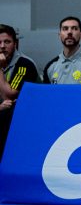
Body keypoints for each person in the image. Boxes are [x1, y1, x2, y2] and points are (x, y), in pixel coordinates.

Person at [0, 25, 40, 160]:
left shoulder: (24, 64)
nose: (2, 46)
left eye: (7, 42)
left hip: (22, 123)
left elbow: (9, 95)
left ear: (15, 44)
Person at [43, 17, 81, 84]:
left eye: (74, 28)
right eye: (65, 29)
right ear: (59, 35)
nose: (69, 32)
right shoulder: (51, 66)